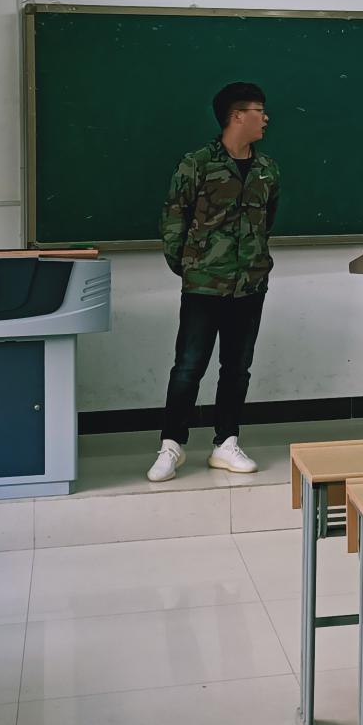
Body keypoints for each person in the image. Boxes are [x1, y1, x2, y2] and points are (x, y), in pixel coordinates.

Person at [151, 82, 279, 482]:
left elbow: (267, 221)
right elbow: (174, 219)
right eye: (259, 111)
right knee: (188, 367)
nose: (266, 118)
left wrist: (252, 264)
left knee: (237, 368)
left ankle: (226, 442)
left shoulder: (267, 169)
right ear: (237, 115)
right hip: (204, 285)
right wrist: (191, 267)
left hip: (249, 285)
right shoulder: (197, 164)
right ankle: (171, 446)